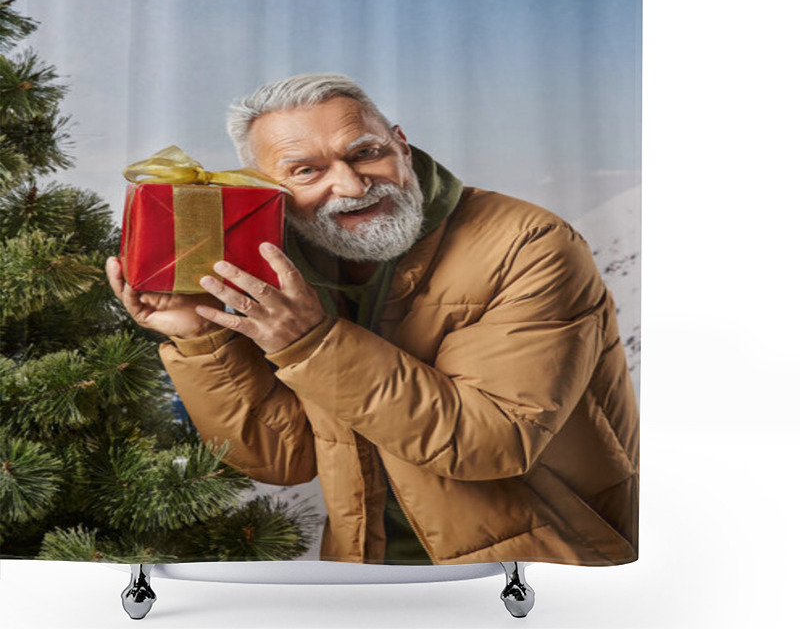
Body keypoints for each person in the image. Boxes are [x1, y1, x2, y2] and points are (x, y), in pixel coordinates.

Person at [106, 73, 639, 566]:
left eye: (366, 153)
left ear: (401, 144)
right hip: (368, 569)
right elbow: (282, 459)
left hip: (540, 566)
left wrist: (311, 343)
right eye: (307, 170)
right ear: (265, 187)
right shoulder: (284, 260)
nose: (353, 185)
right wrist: (202, 337)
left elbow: (495, 440)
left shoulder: (528, 243)